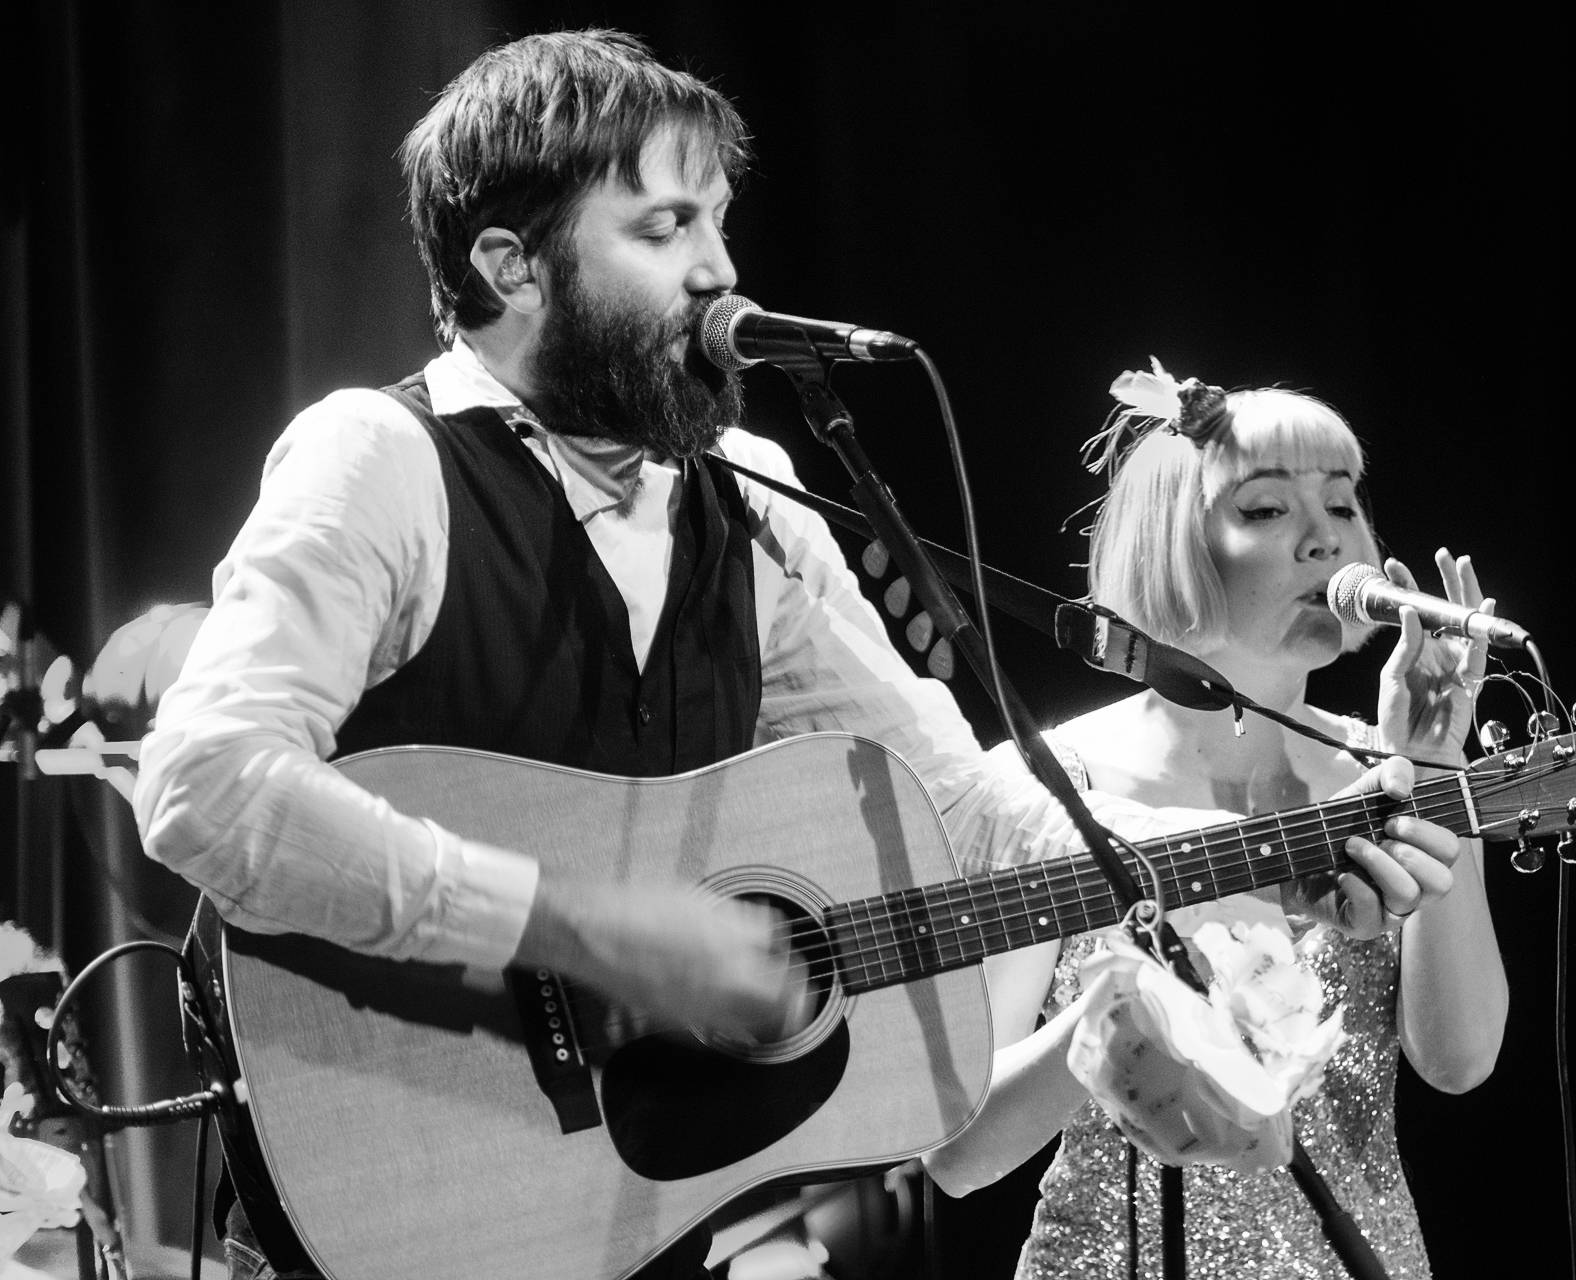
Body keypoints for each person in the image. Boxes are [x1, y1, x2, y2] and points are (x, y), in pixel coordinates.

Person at [127, 30, 1458, 1280]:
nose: (719, 270)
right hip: (387, 1180)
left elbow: (960, 800)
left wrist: (1262, 854)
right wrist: (584, 928)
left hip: (644, 1219)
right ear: (511, 267)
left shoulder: (748, 490)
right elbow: (202, 783)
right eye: (662, 228)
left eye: (717, 221)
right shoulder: (381, 458)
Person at [923, 365, 1509, 1278]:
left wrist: (1434, 767)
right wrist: (1133, 1004)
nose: (1326, 538)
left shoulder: (1387, 766)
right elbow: (959, 1153)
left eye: (1342, 503)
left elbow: (1460, 1059)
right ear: (1177, 546)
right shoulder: (1049, 787)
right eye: (1268, 509)